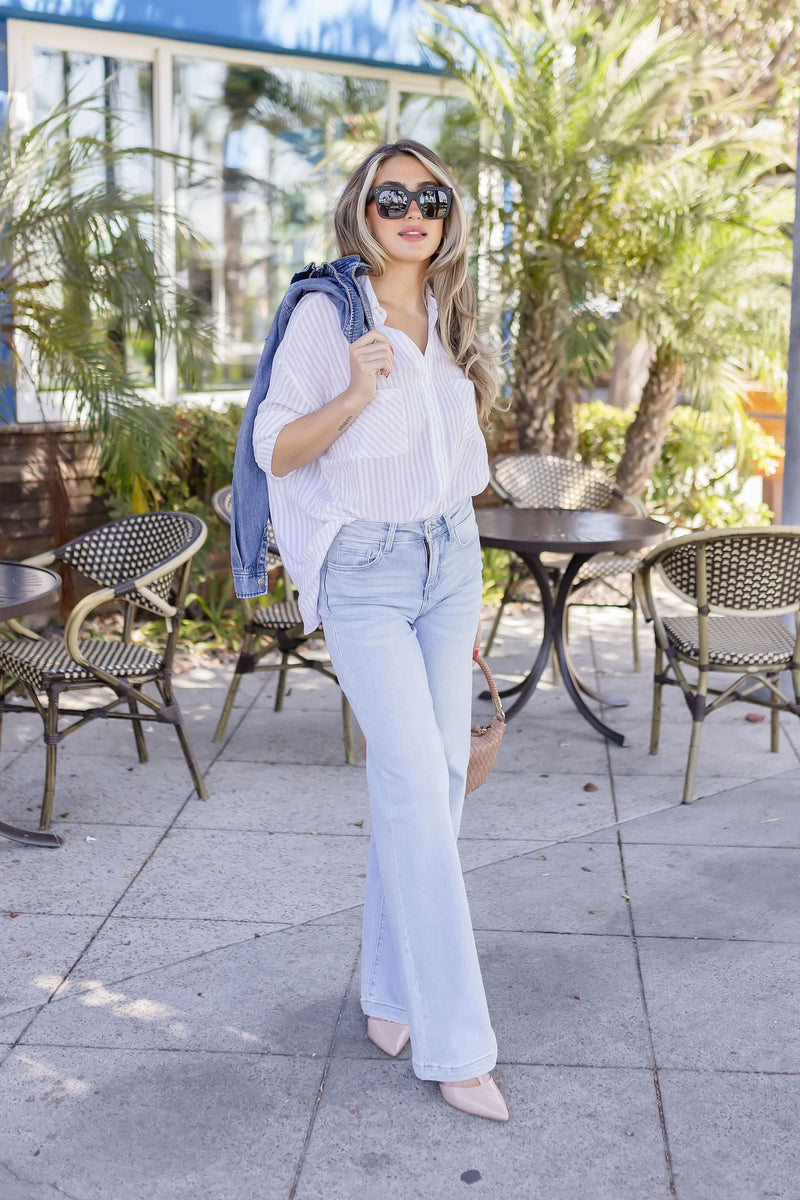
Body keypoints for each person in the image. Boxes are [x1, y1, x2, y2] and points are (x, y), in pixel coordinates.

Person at [251, 138, 508, 1122]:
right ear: (361, 208)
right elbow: (275, 448)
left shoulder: (451, 311)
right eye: (392, 196)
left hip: (450, 559)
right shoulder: (330, 312)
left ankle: (392, 995)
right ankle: (458, 1044)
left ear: (447, 216)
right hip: (365, 572)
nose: (412, 213)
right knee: (413, 783)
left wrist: (463, 583)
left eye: (429, 199)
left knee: (436, 784)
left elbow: (457, 461)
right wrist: (355, 394)